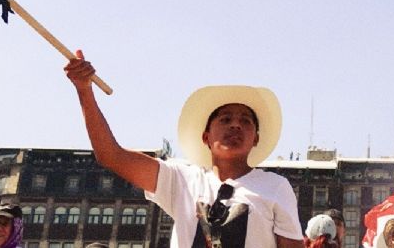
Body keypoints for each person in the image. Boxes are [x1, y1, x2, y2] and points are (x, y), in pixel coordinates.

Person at [65, 51, 303, 248]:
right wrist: (84, 90)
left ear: (256, 139)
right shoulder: (181, 180)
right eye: (225, 119)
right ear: (206, 137)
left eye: (245, 121)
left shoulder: (276, 187)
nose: (235, 125)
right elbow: (111, 156)